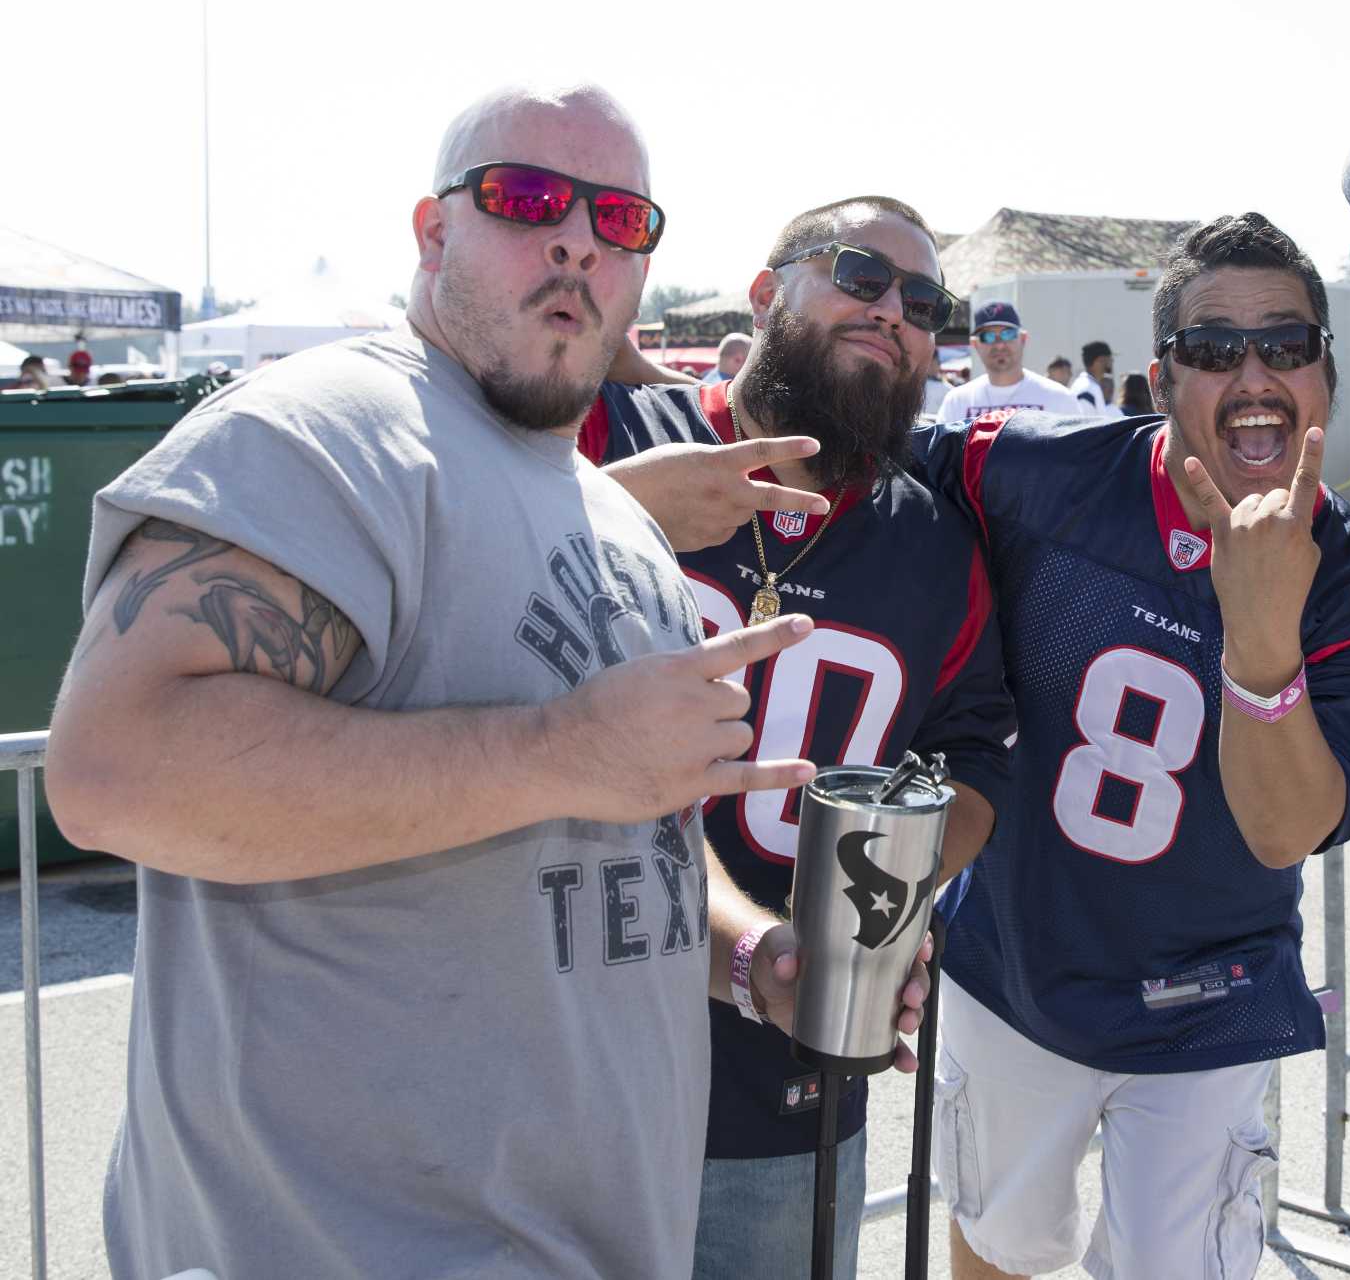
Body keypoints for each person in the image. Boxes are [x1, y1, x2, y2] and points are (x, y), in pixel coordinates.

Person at [41, 82, 930, 1280]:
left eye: (620, 219)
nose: (576, 238)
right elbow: (111, 771)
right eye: (525, 198)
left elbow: (633, 822)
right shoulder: (329, 431)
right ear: (431, 232)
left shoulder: (607, 514)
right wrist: (559, 750)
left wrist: (746, 957)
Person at [915, 212, 1350, 1279]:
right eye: (1213, 349)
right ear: (1161, 376)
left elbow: (1286, 826)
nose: (1253, 374)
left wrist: (1259, 639)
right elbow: (849, 460)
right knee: (997, 1246)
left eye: (1284, 345)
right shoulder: (1025, 468)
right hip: (1015, 965)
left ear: (1323, 368)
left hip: (1211, 998)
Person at [585, 195, 1014, 1279]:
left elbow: (971, 763)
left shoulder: (932, 544)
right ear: (766, 290)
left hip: (783, 1054)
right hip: (565, 1025)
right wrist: (608, 505)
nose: (892, 312)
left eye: (923, 300)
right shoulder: (612, 437)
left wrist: (888, 903)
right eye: (860, 274)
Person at [934, 301, 1093, 422]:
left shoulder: (1060, 399)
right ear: (975, 344)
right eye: (987, 336)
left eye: (1008, 334)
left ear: (1023, 339)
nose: (999, 344)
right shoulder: (957, 401)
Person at [1069, 338, 1116, 417]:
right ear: (1100, 360)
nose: (1112, 362)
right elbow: (1085, 426)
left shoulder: (1088, 384)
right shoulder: (1087, 387)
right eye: (1110, 359)